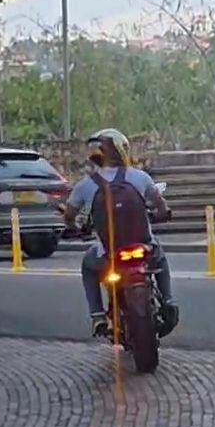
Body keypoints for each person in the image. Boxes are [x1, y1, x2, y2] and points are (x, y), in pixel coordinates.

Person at [61, 129, 178, 336]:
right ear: (122, 149)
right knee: (160, 259)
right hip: (144, 246)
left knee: (88, 267)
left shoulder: (86, 185)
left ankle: (97, 316)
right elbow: (160, 204)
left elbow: (69, 214)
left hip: (108, 253)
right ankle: (168, 300)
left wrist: (73, 227)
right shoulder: (140, 177)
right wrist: (164, 213)